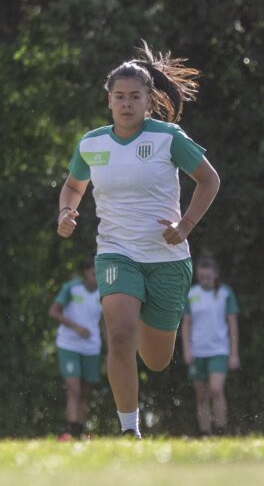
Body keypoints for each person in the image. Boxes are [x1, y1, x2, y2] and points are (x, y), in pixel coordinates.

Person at [57, 44, 220, 439]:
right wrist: (66, 211)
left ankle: (149, 350)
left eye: (135, 97)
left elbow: (209, 179)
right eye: (119, 97)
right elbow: (73, 186)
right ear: (108, 100)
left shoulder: (168, 137)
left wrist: (186, 224)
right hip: (116, 252)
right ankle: (130, 430)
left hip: (166, 256)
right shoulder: (92, 144)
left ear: (149, 100)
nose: (126, 104)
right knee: (119, 334)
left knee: (157, 358)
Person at [180, 254, 240, 437]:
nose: (205, 280)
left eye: (208, 277)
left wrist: (234, 353)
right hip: (198, 352)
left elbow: (232, 324)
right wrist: (187, 350)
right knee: (201, 396)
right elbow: (186, 324)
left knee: (215, 389)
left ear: (215, 274)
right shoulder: (192, 294)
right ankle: (205, 432)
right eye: (201, 277)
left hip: (219, 351)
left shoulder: (225, 293)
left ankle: (221, 429)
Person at [48, 257, 102, 441]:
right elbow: (53, 311)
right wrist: (76, 327)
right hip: (68, 344)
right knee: (74, 389)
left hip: (92, 347)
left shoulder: (104, 293)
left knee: (84, 394)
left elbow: (107, 324)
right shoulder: (72, 288)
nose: (96, 278)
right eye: (94, 273)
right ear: (86, 272)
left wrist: (111, 350)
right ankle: (71, 431)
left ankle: (79, 431)